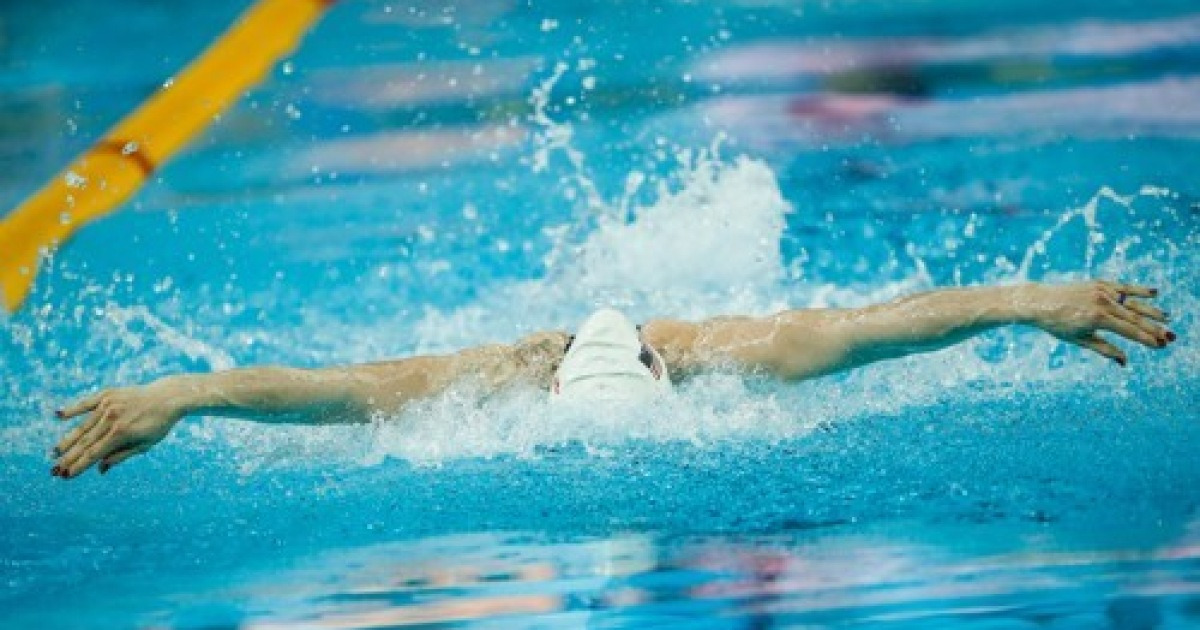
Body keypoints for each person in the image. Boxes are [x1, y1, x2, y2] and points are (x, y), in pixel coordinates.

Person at [50, 280, 1174, 479]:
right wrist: (1027, 302)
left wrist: (190, 391)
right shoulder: (498, 376)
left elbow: (331, 391)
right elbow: (884, 332)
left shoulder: (733, 351)